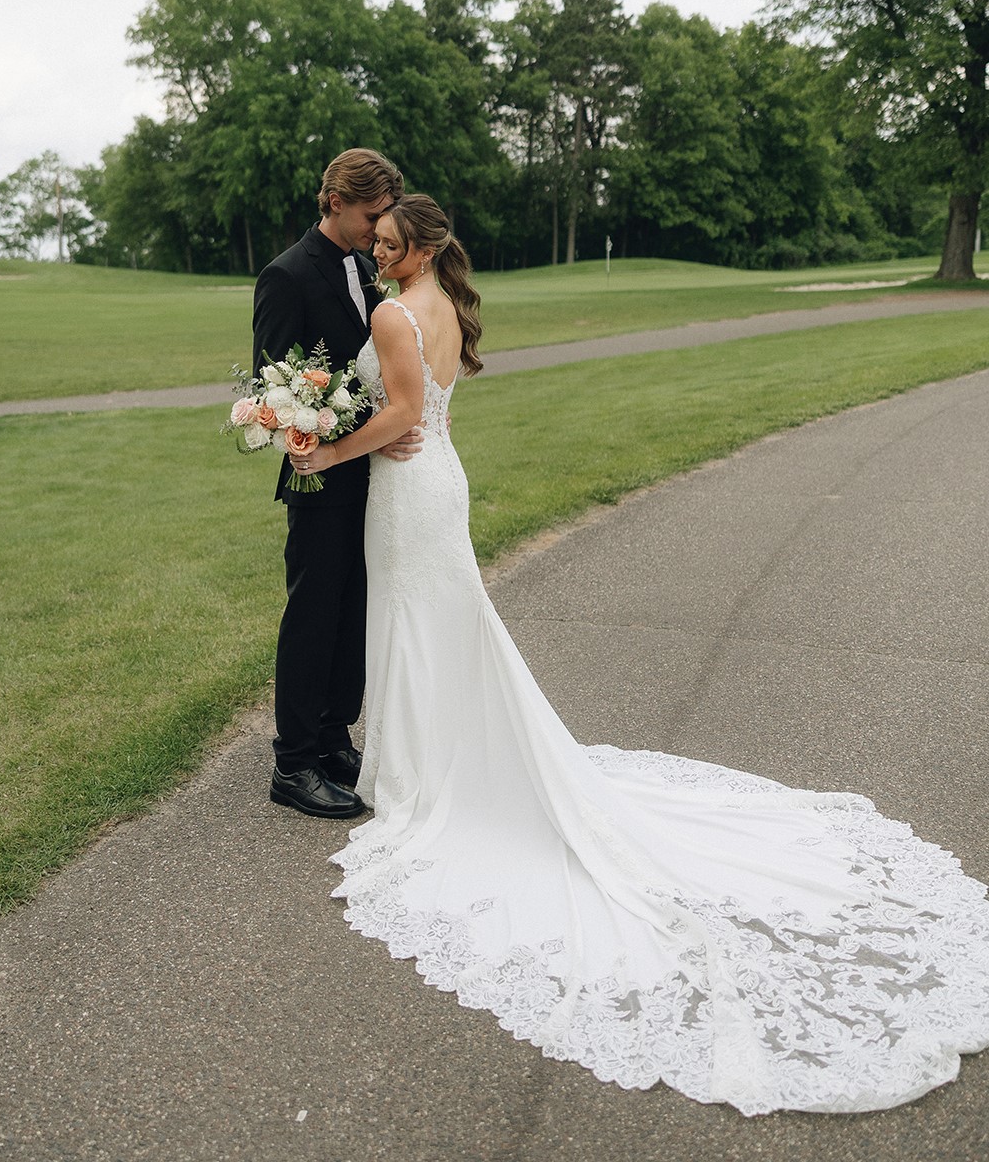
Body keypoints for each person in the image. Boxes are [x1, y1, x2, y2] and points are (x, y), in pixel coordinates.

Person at [290, 194, 989, 1114]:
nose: (377, 255)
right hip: (441, 485)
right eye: (372, 242)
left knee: (422, 625)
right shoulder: (449, 305)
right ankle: (433, 758)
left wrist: (323, 449)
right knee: (441, 625)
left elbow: (402, 415)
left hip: (406, 491)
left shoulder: (390, 310)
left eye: (388, 243)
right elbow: (433, 410)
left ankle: (423, 777)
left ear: (417, 247)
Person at [252, 147, 419, 821]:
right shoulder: (287, 275)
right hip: (318, 477)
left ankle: (331, 737)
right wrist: (314, 439)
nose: (379, 227)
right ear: (335, 203)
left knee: (354, 610)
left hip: (369, 472)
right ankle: (293, 762)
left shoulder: (361, 266)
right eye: (372, 214)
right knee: (313, 613)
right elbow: (276, 384)